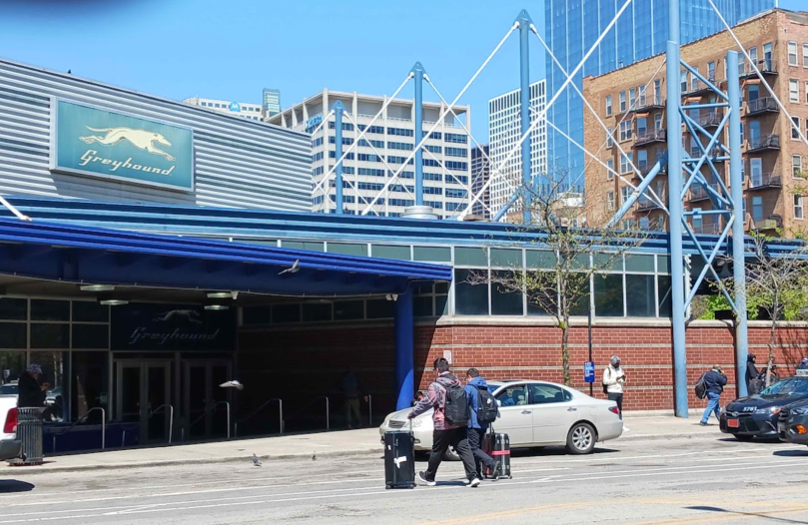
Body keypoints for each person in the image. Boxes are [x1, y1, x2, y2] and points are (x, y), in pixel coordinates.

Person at [409, 357, 480, 488]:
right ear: (447, 368)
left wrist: (413, 413)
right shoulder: (457, 382)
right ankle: (473, 476)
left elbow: (427, 403)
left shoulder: (435, 386)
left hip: (443, 423)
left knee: (437, 450)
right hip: (460, 421)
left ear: (437, 369)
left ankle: (429, 477)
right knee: (464, 448)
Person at [463, 368, 500, 480]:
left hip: (473, 423)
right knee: (477, 448)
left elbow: (463, 404)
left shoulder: (469, 388)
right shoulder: (485, 387)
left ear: (469, 376)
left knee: (472, 448)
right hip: (484, 422)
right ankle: (477, 473)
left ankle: (491, 463)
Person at [603, 356, 629, 432]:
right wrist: (615, 380)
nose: (618, 364)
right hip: (612, 391)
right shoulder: (608, 370)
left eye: (618, 363)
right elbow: (605, 381)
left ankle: (620, 425)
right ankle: (611, 426)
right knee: (612, 409)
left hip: (619, 391)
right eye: (617, 363)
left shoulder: (620, 368)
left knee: (619, 409)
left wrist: (623, 378)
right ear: (613, 363)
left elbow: (623, 378)